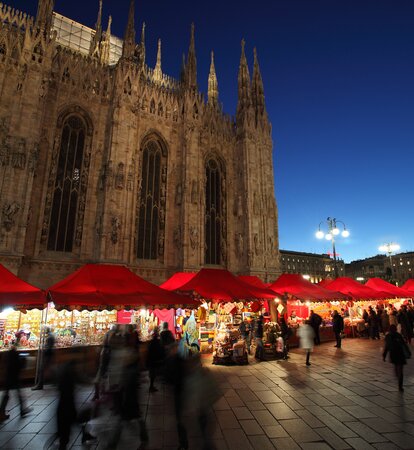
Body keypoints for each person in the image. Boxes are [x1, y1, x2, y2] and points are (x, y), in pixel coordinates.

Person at [0, 338, 31, 421]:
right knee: (18, 394)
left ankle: (2, 412)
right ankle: (22, 410)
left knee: (7, 394)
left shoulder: (8, 353)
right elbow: (18, 365)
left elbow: (5, 364)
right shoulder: (15, 354)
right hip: (13, 377)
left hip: (8, 376)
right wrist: (24, 361)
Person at [383, 324, 411, 392]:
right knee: (400, 369)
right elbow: (404, 344)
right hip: (400, 354)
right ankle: (400, 385)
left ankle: (398, 378)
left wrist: (384, 355)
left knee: (396, 367)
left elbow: (386, 346)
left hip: (394, 354)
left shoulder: (388, 336)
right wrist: (408, 352)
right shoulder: (398, 335)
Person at [32, 326, 56, 390]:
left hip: (48, 354)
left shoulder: (50, 337)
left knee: (41, 369)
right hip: (50, 354)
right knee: (50, 369)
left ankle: (40, 385)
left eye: (43, 330)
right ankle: (55, 381)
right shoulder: (50, 335)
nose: (42, 331)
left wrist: (43, 347)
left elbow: (49, 347)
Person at [147, 327, 165, 392]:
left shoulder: (153, 340)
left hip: (152, 359)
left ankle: (151, 386)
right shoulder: (156, 340)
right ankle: (151, 386)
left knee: (152, 373)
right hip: (153, 359)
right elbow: (157, 349)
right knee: (153, 373)